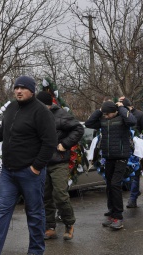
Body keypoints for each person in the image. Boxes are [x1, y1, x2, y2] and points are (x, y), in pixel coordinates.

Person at [0, 76, 57, 255]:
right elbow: (3, 131)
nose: (18, 91)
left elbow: (50, 143)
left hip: (30, 172)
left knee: (34, 212)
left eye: (23, 88)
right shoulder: (11, 108)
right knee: (1, 211)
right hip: (9, 172)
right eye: (16, 87)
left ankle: (36, 250)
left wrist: (36, 167)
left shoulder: (41, 112)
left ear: (32, 91)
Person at [36, 91, 84, 241]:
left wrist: (65, 144)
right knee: (45, 196)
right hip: (42, 163)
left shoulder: (61, 115)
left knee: (60, 195)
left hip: (59, 162)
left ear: (48, 105)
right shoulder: (36, 116)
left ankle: (69, 223)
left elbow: (79, 129)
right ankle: (50, 227)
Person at [85, 100, 136, 230]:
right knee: (109, 184)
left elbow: (132, 122)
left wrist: (122, 108)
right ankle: (112, 213)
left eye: (108, 114)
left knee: (115, 185)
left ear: (115, 112)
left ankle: (118, 217)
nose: (106, 116)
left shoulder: (122, 119)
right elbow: (89, 123)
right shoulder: (103, 120)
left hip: (121, 158)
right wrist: (100, 111)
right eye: (105, 114)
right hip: (108, 158)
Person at [119, 97, 143, 208]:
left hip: (137, 150)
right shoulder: (120, 114)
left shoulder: (139, 115)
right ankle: (134, 193)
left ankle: (133, 198)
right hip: (123, 148)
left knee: (135, 174)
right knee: (128, 174)